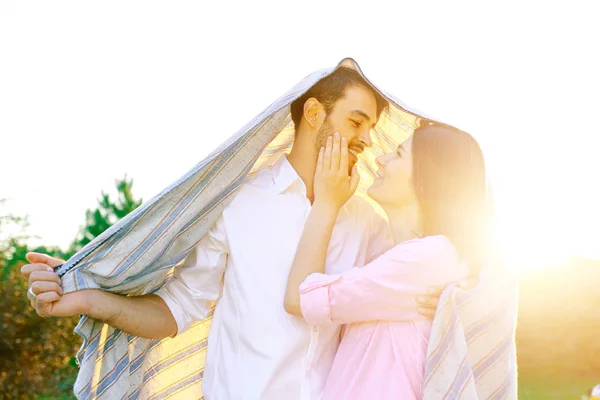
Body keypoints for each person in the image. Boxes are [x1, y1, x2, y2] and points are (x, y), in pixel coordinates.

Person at [21, 67, 447, 400]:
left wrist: (444, 297)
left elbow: (395, 297)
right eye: (357, 123)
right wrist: (92, 296)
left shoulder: (368, 222)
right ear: (314, 113)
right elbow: (178, 309)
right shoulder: (239, 202)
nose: (366, 141)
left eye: (370, 129)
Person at [284, 120, 488, 399]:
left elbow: (299, 298)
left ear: (428, 178)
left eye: (399, 154)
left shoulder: (427, 258)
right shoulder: (409, 256)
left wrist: (326, 202)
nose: (380, 159)